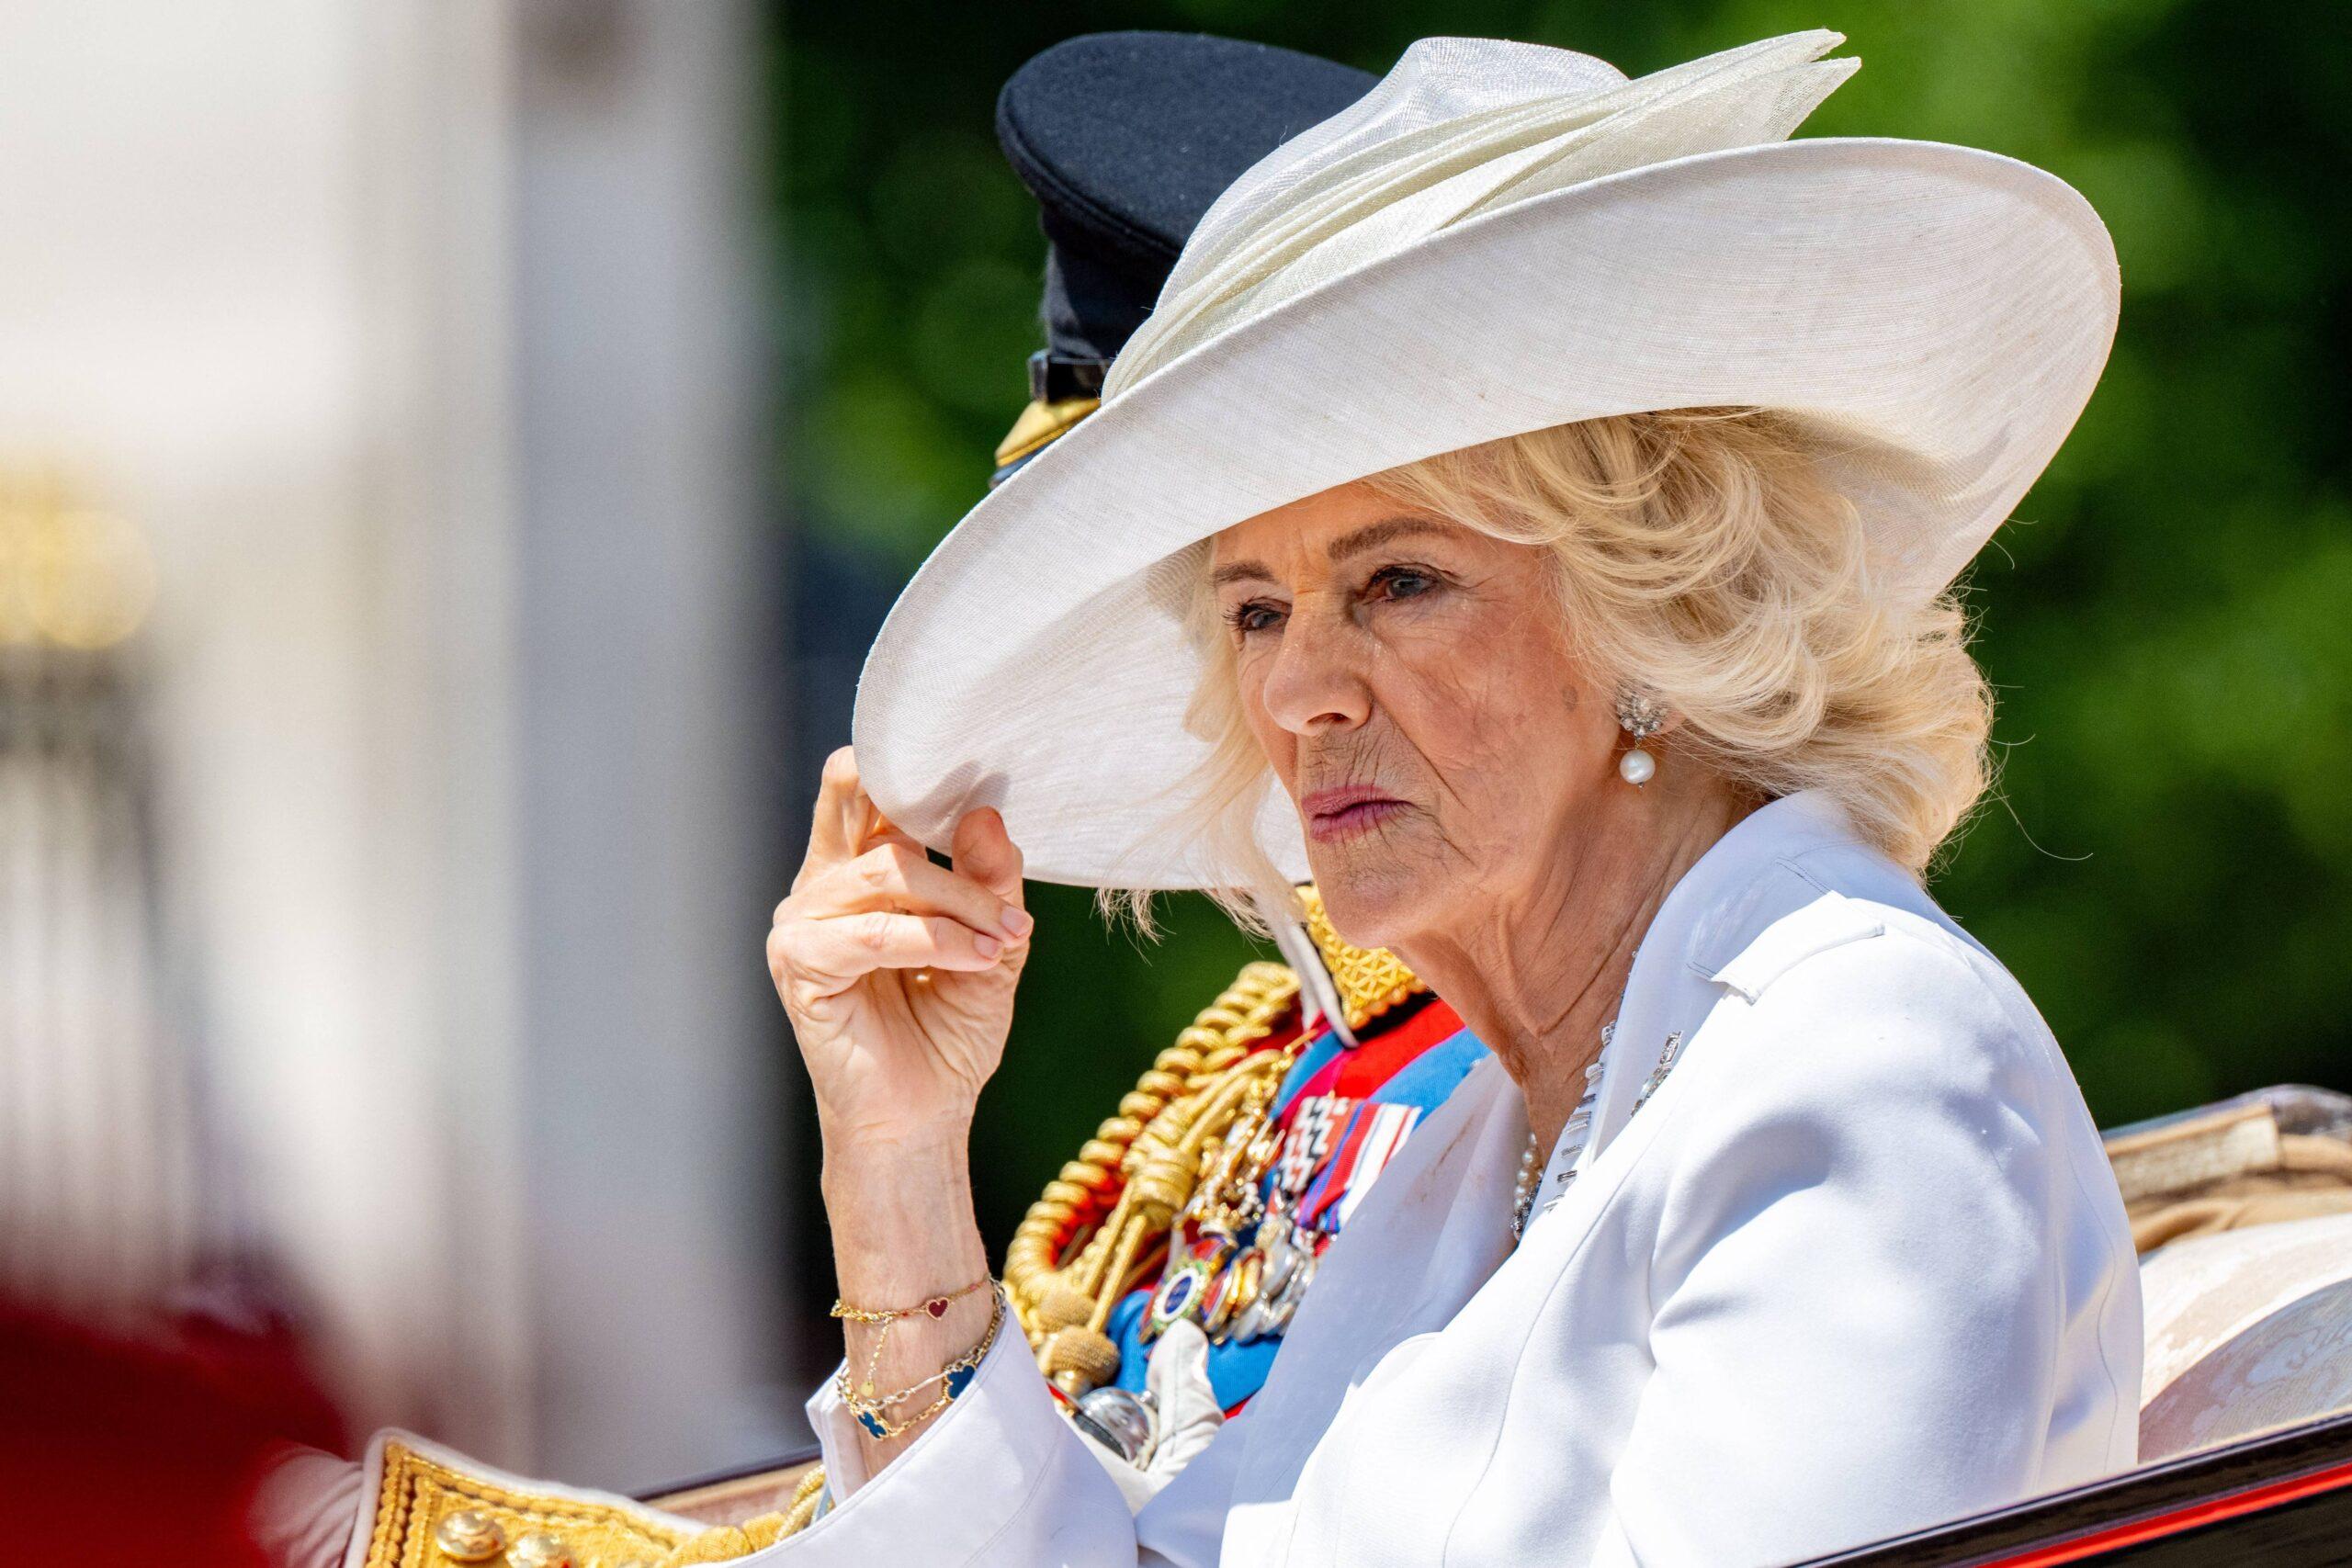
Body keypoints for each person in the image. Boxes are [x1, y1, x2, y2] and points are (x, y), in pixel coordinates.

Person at [271, 26, 2147, 1568]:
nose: (1298, 682)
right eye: (1254, 605)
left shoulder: (1851, 1059)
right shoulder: (1466, 1147)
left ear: (1654, 605)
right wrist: (903, 1184)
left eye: (1396, 578)